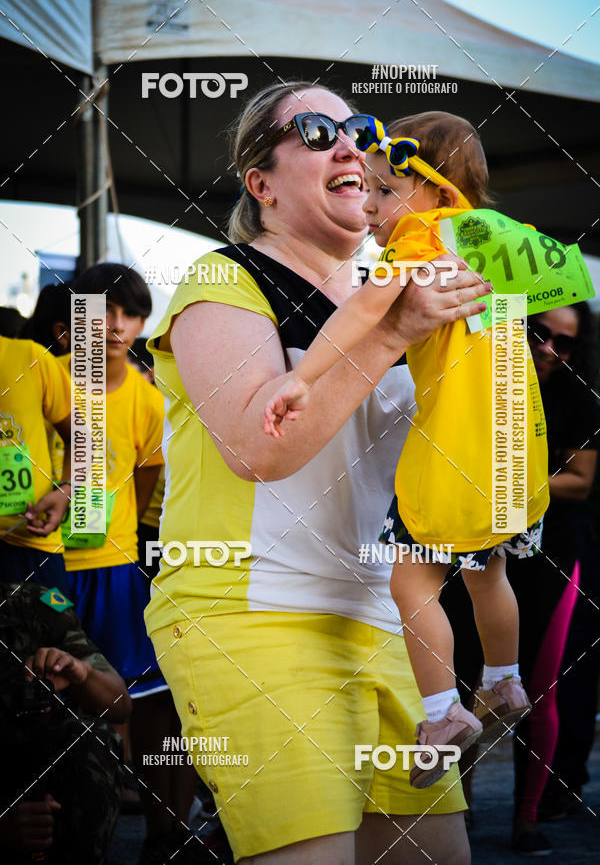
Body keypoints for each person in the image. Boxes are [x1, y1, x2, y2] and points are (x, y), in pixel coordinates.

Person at [145, 82, 491, 865]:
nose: (352, 147)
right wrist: (392, 334)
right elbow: (259, 450)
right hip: (252, 613)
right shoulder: (223, 282)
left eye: (362, 131)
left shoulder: (391, 285)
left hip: (379, 618)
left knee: (436, 857)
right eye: (315, 131)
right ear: (260, 183)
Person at [262, 112, 549, 788]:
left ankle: (444, 714)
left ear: (437, 192)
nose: (369, 205)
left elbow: (364, 311)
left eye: (385, 190)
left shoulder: (421, 237)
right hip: (513, 455)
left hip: (451, 456)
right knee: (489, 575)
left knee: (411, 583)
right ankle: (505, 679)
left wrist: (302, 377)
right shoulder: (496, 238)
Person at [60, 263, 199, 865]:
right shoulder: (43, 379)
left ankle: (165, 832)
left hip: (118, 567)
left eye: (130, 314)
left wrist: (119, 543)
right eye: (101, 311)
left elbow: (147, 488)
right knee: (49, 696)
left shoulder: (150, 398)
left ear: (144, 323)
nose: (115, 326)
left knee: (149, 700)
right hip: (42, 566)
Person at [506, 303, 600, 854]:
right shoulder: (481, 378)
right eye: (539, 332)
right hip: (476, 553)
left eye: (564, 343)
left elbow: (579, 483)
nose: (548, 349)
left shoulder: (580, 397)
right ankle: (453, 811)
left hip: (553, 557)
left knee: (539, 691)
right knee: (459, 686)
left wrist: (505, 484)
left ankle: (527, 819)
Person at [0, 580, 130, 863]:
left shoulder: (32, 603)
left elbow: (119, 705)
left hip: (29, 767)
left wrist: (82, 673)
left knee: (93, 737)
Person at [0, 334, 72, 593]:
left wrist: (65, 490)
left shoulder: (31, 358)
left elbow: (80, 437)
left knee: (52, 619)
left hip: (30, 543)